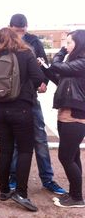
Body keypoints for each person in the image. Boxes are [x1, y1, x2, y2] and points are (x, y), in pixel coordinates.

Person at [8, 14, 66, 195]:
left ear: (26, 27)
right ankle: (13, 177)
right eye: (16, 31)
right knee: (17, 141)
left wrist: (44, 84)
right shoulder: (4, 42)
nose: (19, 34)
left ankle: (47, 179)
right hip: (11, 98)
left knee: (40, 138)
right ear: (10, 27)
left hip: (30, 97)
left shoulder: (34, 42)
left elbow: (43, 65)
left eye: (22, 30)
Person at [0, 27, 44, 212]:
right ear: (17, 37)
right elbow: (38, 78)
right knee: (25, 151)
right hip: (21, 109)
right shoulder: (26, 53)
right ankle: (21, 193)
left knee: (5, 150)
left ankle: (4, 191)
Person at [48, 30, 85, 208]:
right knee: (73, 155)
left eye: (69, 43)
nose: (66, 45)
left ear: (79, 44)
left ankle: (77, 198)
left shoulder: (83, 62)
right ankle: (74, 195)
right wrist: (43, 68)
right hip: (67, 115)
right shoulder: (75, 63)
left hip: (75, 117)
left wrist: (60, 52)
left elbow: (57, 66)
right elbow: (60, 78)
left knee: (65, 157)